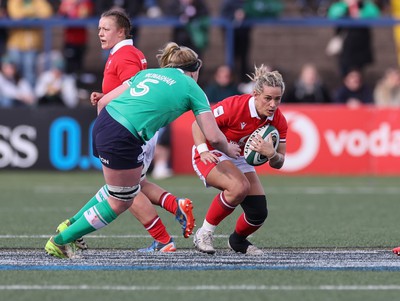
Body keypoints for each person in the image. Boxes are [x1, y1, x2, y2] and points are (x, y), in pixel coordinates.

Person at [44, 41, 241, 259]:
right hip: (124, 134)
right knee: (121, 200)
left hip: (105, 123)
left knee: (120, 189)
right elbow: (213, 135)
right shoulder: (193, 87)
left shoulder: (148, 74)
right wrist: (228, 148)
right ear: (194, 70)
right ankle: (60, 241)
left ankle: (69, 227)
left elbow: (104, 102)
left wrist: (109, 132)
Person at [52, 9, 196, 253]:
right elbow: (130, 89)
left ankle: (162, 240)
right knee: (129, 187)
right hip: (128, 128)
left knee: (126, 194)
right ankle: (174, 207)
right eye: (99, 28)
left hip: (128, 130)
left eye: (105, 29)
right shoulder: (124, 53)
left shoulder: (125, 54)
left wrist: (107, 102)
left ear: (121, 32)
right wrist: (105, 96)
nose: (99, 33)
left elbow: (135, 91)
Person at [192, 65, 287, 255]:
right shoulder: (234, 106)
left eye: (277, 99)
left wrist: (272, 154)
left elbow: (280, 162)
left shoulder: (278, 120)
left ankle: (237, 241)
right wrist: (203, 151)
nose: (273, 105)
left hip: (238, 157)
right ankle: (204, 233)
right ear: (255, 94)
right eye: (268, 98)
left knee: (258, 213)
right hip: (212, 151)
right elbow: (198, 123)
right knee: (239, 187)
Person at [220, 0, 283, 83]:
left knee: (244, 60)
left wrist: (245, 15)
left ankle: (242, 82)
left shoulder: (249, 3)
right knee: (232, 61)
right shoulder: (229, 3)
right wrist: (234, 16)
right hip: (232, 36)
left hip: (244, 35)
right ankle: (232, 82)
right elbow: (223, 17)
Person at [326, 0, 380, 78]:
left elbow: (375, 13)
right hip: (345, 47)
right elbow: (332, 15)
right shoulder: (340, 5)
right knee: (344, 72)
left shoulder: (365, 5)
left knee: (359, 73)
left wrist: (361, 14)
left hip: (361, 46)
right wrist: (346, 5)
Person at [6, 0, 53, 87]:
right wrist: (34, 15)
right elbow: (16, 15)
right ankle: (14, 96)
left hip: (32, 45)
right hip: (15, 44)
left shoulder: (38, 1)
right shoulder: (14, 1)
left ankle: (30, 97)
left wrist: (26, 15)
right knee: (14, 71)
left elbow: (46, 13)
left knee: (29, 71)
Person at [58, 0, 94, 77]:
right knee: (69, 65)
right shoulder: (67, 2)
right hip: (70, 39)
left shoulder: (85, 2)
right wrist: (71, 5)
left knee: (79, 65)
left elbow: (85, 14)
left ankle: (79, 85)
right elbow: (62, 12)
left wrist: (79, 4)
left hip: (81, 39)